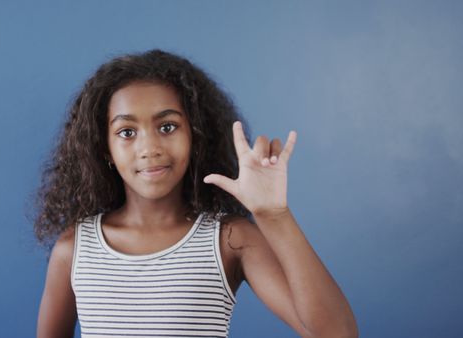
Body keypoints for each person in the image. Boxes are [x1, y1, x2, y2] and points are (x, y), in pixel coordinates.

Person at [31, 49, 358, 338]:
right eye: (127, 132)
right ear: (105, 148)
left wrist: (274, 216)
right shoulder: (75, 249)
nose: (149, 148)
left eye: (167, 126)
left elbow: (336, 333)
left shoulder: (230, 239)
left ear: (196, 135)